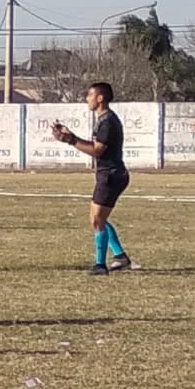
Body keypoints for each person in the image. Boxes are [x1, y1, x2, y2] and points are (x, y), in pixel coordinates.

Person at [52, 82, 137, 275]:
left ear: (100, 98)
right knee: (97, 219)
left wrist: (71, 140)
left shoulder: (107, 121)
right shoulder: (104, 119)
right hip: (109, 174)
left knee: (97, 219)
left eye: (90, 95)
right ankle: (120, 256)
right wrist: (70, 137)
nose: (87, 99)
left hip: (111, 175)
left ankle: (100, 265)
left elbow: (98, 150)